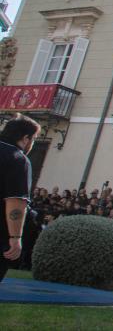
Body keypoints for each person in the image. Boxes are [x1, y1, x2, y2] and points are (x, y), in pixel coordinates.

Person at [0, 115, 40, 282]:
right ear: (25, 138)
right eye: (34, 139)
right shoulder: (18, 159)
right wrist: (15, 238)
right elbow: (15, 202)